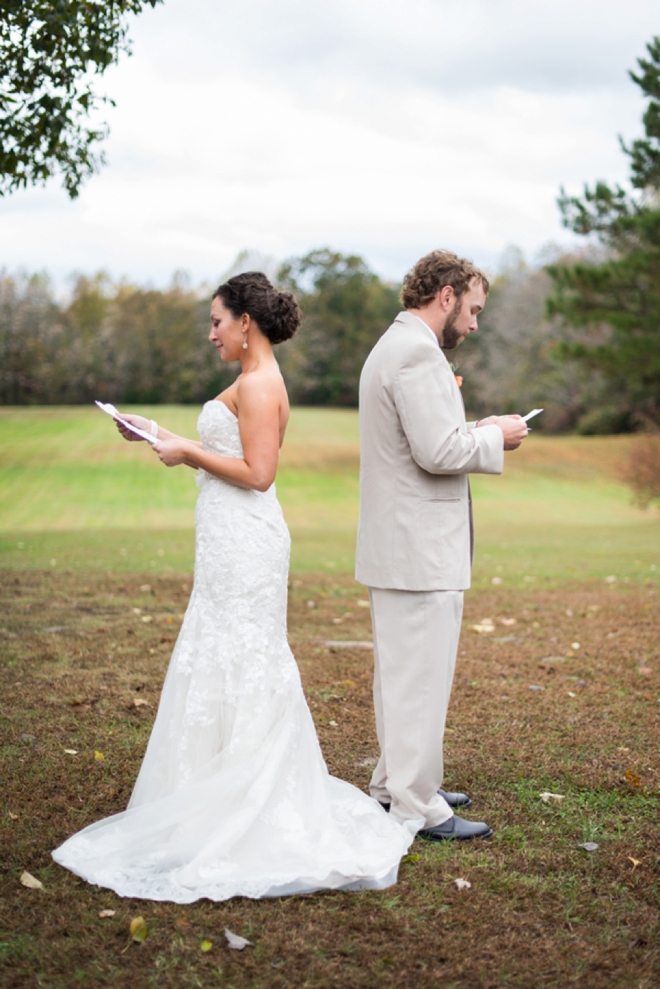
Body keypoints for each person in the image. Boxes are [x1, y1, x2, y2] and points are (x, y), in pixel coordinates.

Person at [53, 272, 412, 903]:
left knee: (245, 656)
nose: (210, 332)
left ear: (246, 321)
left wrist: (186, 454)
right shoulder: (247, 380)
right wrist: (155, 433)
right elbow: (213, 438)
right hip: (225, 545)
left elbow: (258, 473)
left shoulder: (261, 383)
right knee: (216, 653)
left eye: (217, 320)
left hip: (248, 545)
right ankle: (207, 786)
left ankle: (249, 799)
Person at [356, 250, 529, 842]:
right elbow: (439, 453)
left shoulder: (394, 346)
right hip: (418, 549)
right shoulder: (417, 354)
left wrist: (476, 429)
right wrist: (495, 436)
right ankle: (417, 804)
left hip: (402, 545)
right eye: (474, 310)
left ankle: (394, 784)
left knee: (403, 677)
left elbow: (427, 440)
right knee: (419, 680)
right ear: (447, 295)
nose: (475, 324)